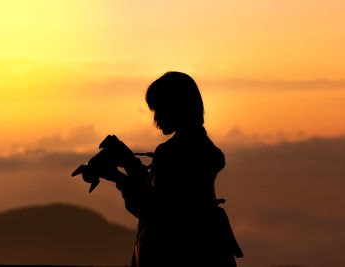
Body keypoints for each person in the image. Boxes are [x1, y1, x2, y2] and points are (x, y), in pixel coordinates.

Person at [102, 72, 243, 266]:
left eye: (159, 109)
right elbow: (165, 197)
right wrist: (127, 168)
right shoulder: (203, 150)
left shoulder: (171, 153)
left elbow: (155, 211)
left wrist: (122, 171)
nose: (156, 118)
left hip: (172, 260)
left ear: (177, 107)